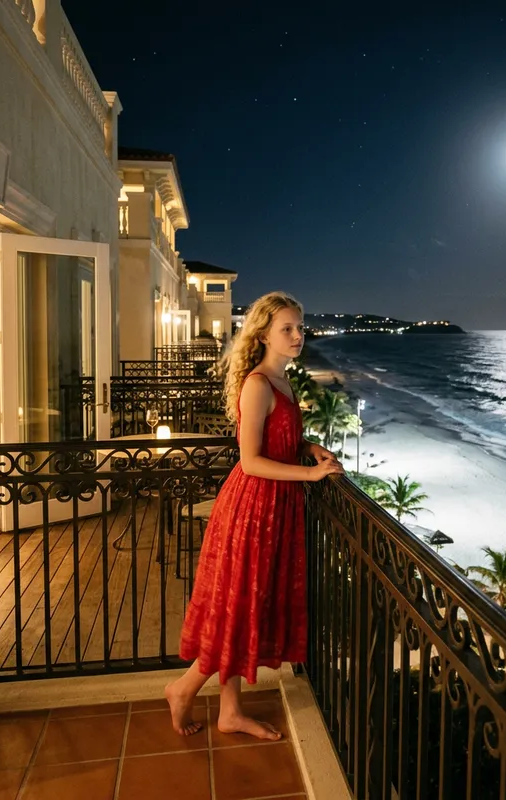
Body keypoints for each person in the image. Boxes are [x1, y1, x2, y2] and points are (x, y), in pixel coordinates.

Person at [165, 291, 344, 740]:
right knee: (238, 609)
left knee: (243, 609)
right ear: (264, 334)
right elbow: (250, 461)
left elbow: (277, 439)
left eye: (300, 327)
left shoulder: (283, 382)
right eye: (288, 328)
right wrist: (309, 474)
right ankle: (183, 687)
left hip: (274, 508)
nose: (298, 335)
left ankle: (230, 712)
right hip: (254, 508)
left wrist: (308, 447)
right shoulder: (259, 383)